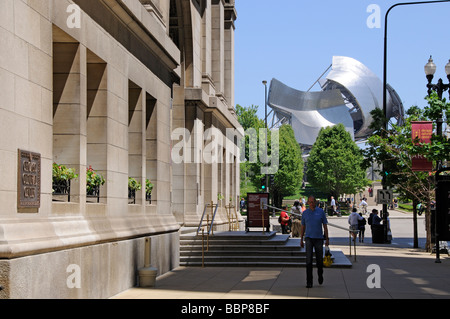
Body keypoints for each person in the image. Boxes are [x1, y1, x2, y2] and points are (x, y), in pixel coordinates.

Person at [301, 196, 329, 288]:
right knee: (308, 261)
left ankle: (320, 275)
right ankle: (309, 282)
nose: (311, 203)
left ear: (315, 202)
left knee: (319, 260)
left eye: (313, 202)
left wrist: (327, 238)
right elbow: (303, 227)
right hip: (309, 238)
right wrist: (301, 239)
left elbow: (325, 225)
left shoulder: (320, 212)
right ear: (308, 203)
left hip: (319, 239)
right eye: (310, 202)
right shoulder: (305, 213)